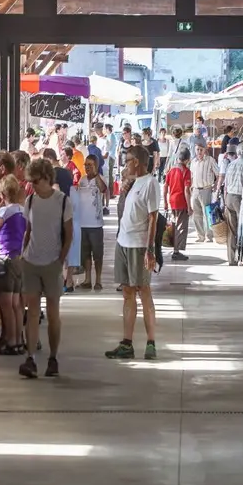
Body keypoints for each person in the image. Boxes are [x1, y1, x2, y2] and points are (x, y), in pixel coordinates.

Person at [19, 158, 73, 378]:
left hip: (52, 263)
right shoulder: (30, 200)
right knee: (32, 312)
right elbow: (28, 231)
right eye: (31, 181)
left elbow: (69, 235)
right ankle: (30, 358)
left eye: (36, 181)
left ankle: (53, 358)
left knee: (53, 313)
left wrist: (60, 261)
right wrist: (23, 254)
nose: (32, 185)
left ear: (47, 178)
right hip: (31, 261)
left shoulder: (62, 201)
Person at [106, 146, 159, 361]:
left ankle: (151, 342)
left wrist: (150, 249)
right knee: (127, 292)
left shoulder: (150, 183)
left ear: (136, 161)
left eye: (127, 160)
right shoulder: (133, 183)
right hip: (123, 242)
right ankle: (126, 343)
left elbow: (153, 217)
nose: (125, 164)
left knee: (143, 290)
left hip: (138, 245)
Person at [0, 174, 28, 355]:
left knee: (6, 304)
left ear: (2, 194)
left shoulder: (4, 212)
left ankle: (10, 341)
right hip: (18, 259)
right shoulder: (23, 211)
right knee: (16, 304)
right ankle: (18, 341)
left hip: (3, 259)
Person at [76, 155, 107, 291]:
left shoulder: (100, 179)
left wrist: (96, 175)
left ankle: (98, 280)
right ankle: (87, 279)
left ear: (96, 166)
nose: (87, 167)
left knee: (98, 254)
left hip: (95, 224)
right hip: (83, 224)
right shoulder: (82, 180)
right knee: (85, 254)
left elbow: (103, 189)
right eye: (86, 165)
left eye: (90, 165)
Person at [222, 142, 243, 267]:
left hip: (229, 197)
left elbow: (226, 185)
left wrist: (224, 200)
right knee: (242, 228)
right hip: (240, 198)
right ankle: (242, 257)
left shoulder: (231, 164)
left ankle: (231, 259)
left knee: (231, 230)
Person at [165, 147, 193, 262]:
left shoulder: (171, 170)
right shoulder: (186, 171)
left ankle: (175, 250)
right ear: (187, 160)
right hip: (181, 202)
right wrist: (189, 207)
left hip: (172, 201)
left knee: (174, 225)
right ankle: (176, 252)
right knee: (181, 227)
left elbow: (165, 187)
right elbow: (187, 190)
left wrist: (165, 202)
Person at [188, 141, 218, 244]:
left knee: (207, 214)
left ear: (205, 150)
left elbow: (218, 174)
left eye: (201, 149)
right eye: (197, 149)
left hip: (206, 189)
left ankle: (209, 236)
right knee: (197, 215)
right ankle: (200, 235)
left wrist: (215, 186)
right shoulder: (193, 161)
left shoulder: (210, 160)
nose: (199, 151)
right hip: (195, 189)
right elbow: (192, 176)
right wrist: (191, 187)